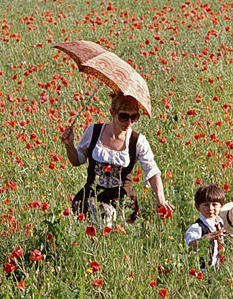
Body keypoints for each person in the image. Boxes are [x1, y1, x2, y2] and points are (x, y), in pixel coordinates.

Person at [60, 92, 175, 226]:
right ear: (112, 112)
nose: (129, 122)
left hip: (123, 203)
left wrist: (160, 199)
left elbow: (152, 170)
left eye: (134, 117)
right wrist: (69, 145)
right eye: (124, 116)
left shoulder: (137, 141)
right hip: (92, 198)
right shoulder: (94, 131)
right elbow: (76, 161)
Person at [186, 183, 227, 271]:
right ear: (198, 207)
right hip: (203, 270)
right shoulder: (197, 227)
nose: (210, 208)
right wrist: (205, 239)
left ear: (221, 206)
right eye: (206, 205)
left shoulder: (221, 223)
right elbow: (190, 244)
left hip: (220, 268)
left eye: (214, 204)